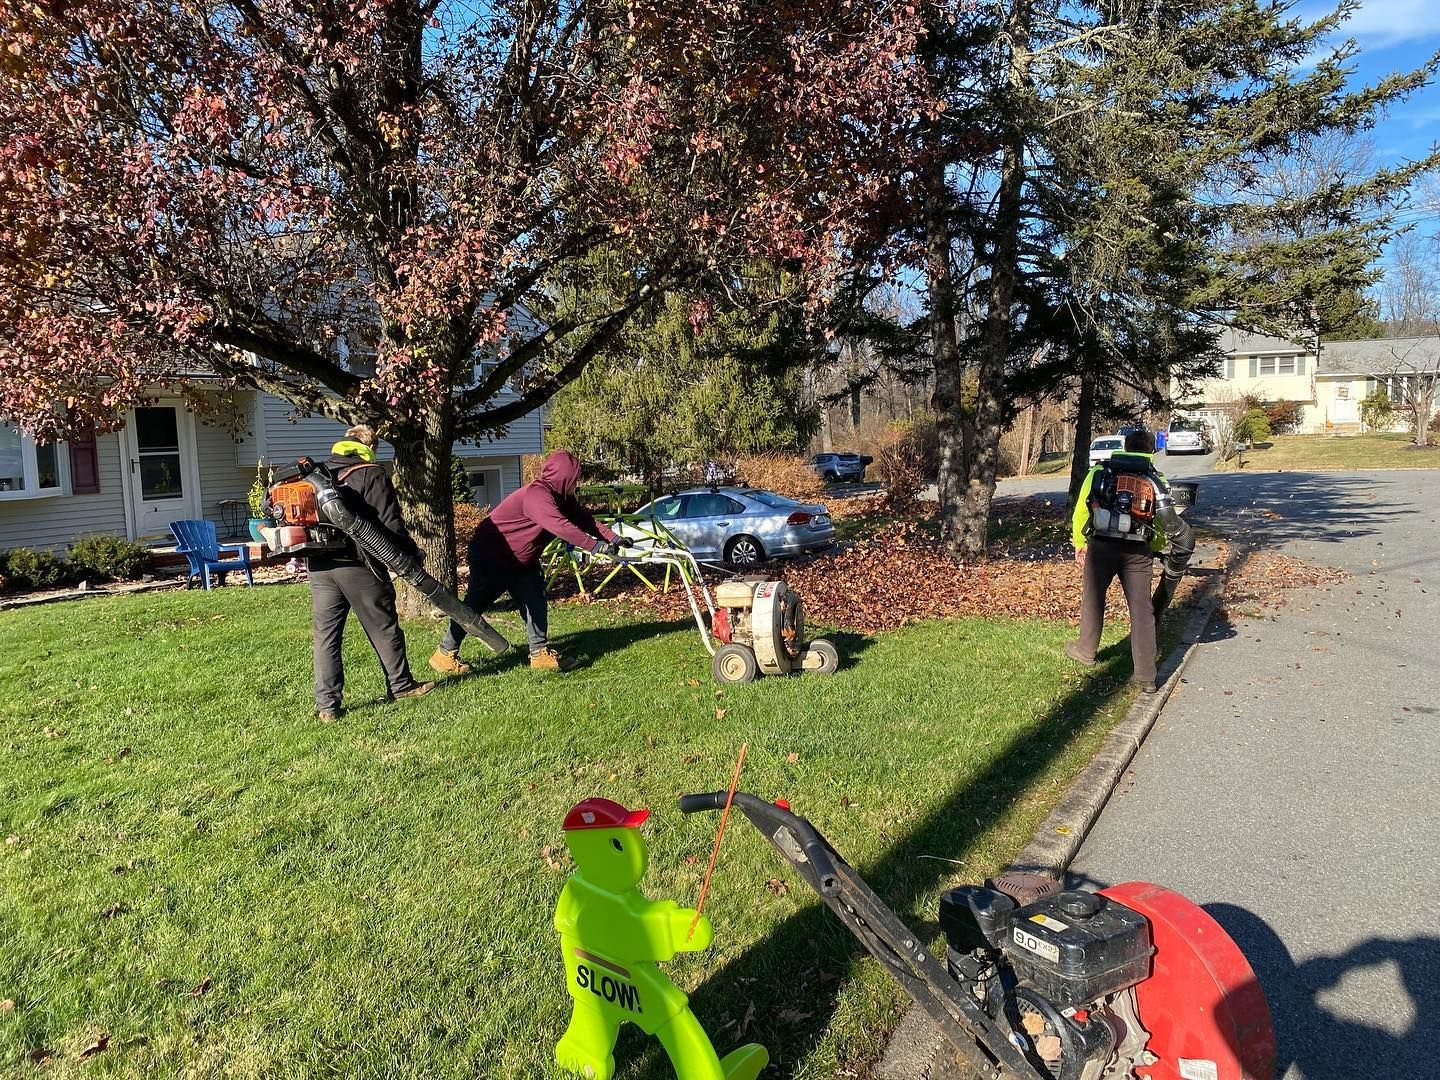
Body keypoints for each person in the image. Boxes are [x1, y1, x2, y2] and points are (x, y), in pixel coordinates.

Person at [432, 449, 629, 674]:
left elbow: (583, 519)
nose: (576, 483)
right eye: (574, 478)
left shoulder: (562, 497)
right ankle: (444, 655)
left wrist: (614, 538)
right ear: (563, 477)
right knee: (475, 604)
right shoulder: (537, 496)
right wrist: (595, 546)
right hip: (493, 555)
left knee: (535, 600)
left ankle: (539, 654)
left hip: (522, 560)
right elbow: (561, 526)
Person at [308, 425, 433, 720]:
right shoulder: (371, 473)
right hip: (358, 564)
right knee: (382, 626)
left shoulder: (316, 473)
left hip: (319, 565)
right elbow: (390, 524)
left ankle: (327, 707)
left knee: (326, 636)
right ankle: (401, 686)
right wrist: (411, 553)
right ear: (370, 447)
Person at [1066, 429, 1173, 693]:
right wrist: (1155, 547)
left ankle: (1085, 650)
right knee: (1141, 609)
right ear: (1151, 451)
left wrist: (1080, 544)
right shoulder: (1156, 478)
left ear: (1125, 445)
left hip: (1102, 545)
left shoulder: (1099, 472)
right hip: (1138, 551)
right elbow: (1162, 522)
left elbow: (1082, 509)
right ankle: (1146, 675)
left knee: (1093, 597)